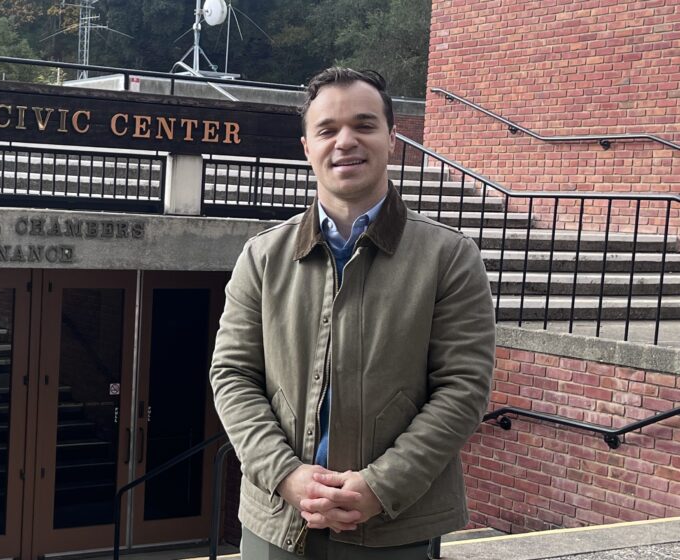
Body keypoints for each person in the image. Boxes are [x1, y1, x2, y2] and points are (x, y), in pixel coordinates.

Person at [209, 67, 496, 559]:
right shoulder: (262, 256)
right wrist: (285, 475)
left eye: (364, 125)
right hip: (277, 521)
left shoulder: (448, 257)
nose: (346, 141)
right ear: (307, 146)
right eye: (327, 129)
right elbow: (233, 375)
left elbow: (463, 389)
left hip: (396, 526)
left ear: (392, 137)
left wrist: (379, 487)